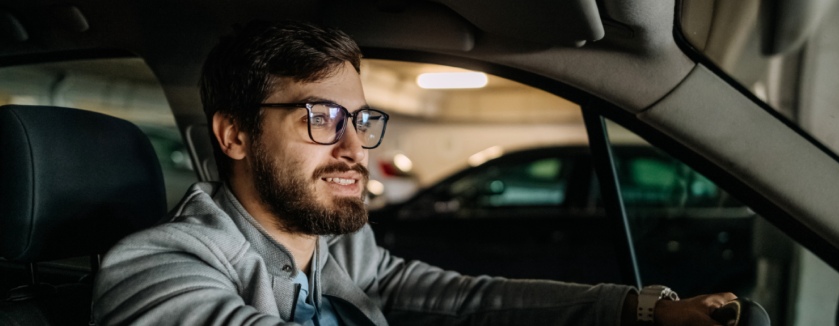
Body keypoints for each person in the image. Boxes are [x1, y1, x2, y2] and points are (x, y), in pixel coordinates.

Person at [92, 20, 736, 326]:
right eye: (320, 118)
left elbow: (467, 298)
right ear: (234, 135)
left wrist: (640, 311)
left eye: (362, 120)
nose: (354, 148)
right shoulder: (158, 268)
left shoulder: (339, 248)